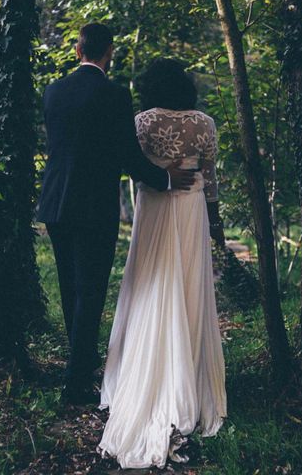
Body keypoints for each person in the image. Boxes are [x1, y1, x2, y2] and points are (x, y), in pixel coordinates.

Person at [36, 24, 196, 404]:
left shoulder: (53, 92)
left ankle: (82, 360)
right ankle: (76, 385)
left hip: (56, 203)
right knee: (90, 292)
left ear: (77, 50)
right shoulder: (114, 95)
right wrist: (166, 178)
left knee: (69, 288)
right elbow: (128, 155)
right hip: (93, 206)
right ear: (109, 52)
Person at [98, 58, 227, 469]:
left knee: (151, 281)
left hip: (154, 206)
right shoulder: (205, 124)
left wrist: (157, 173)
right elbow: (210, 179)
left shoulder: (143, 122)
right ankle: (185, 375)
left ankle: (143, 373)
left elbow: (133, 167)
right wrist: (216, 222)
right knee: (187, 288)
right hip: (190, 210)